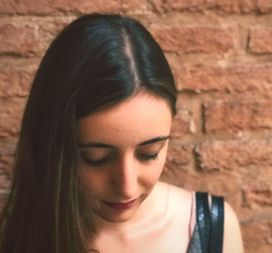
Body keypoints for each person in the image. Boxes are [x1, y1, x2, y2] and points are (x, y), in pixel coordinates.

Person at [0, 13, 243, 253]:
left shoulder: (212, 228)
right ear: (53, 143)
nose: (126, 187)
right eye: (96, 158)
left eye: (149, 153)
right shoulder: (16, 233)